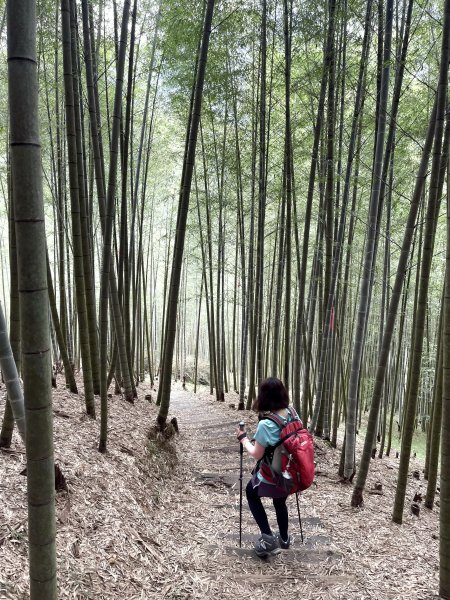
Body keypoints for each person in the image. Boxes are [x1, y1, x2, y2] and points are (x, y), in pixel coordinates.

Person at [236, 377, 293, 558]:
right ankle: (284, 539)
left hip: (271, 473)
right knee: (280, 501)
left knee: (250, 493)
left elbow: (257, 454)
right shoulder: (292, 413)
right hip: (288, 470)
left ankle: (268, 538)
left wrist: (244, 439)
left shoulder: (266, 424)